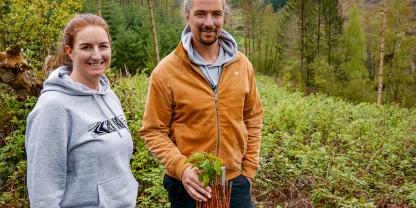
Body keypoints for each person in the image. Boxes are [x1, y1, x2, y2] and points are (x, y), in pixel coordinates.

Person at [139, 0, 263, 207]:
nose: (209, 22)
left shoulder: (242, 65)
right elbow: (153, 130)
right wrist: (182, 168)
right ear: (187, 16)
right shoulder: (166, 72)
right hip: (188, 187)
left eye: (216, 14)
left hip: (236, 184)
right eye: (200, 14)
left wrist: (248, 170)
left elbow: (253, 117)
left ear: (225, 17)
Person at [25, 14, 138, 208]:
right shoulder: (52, 108)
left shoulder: (109, 96)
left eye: (102, 46)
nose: (96, 55)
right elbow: (43, 192)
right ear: (70, 51)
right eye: (86, 47)